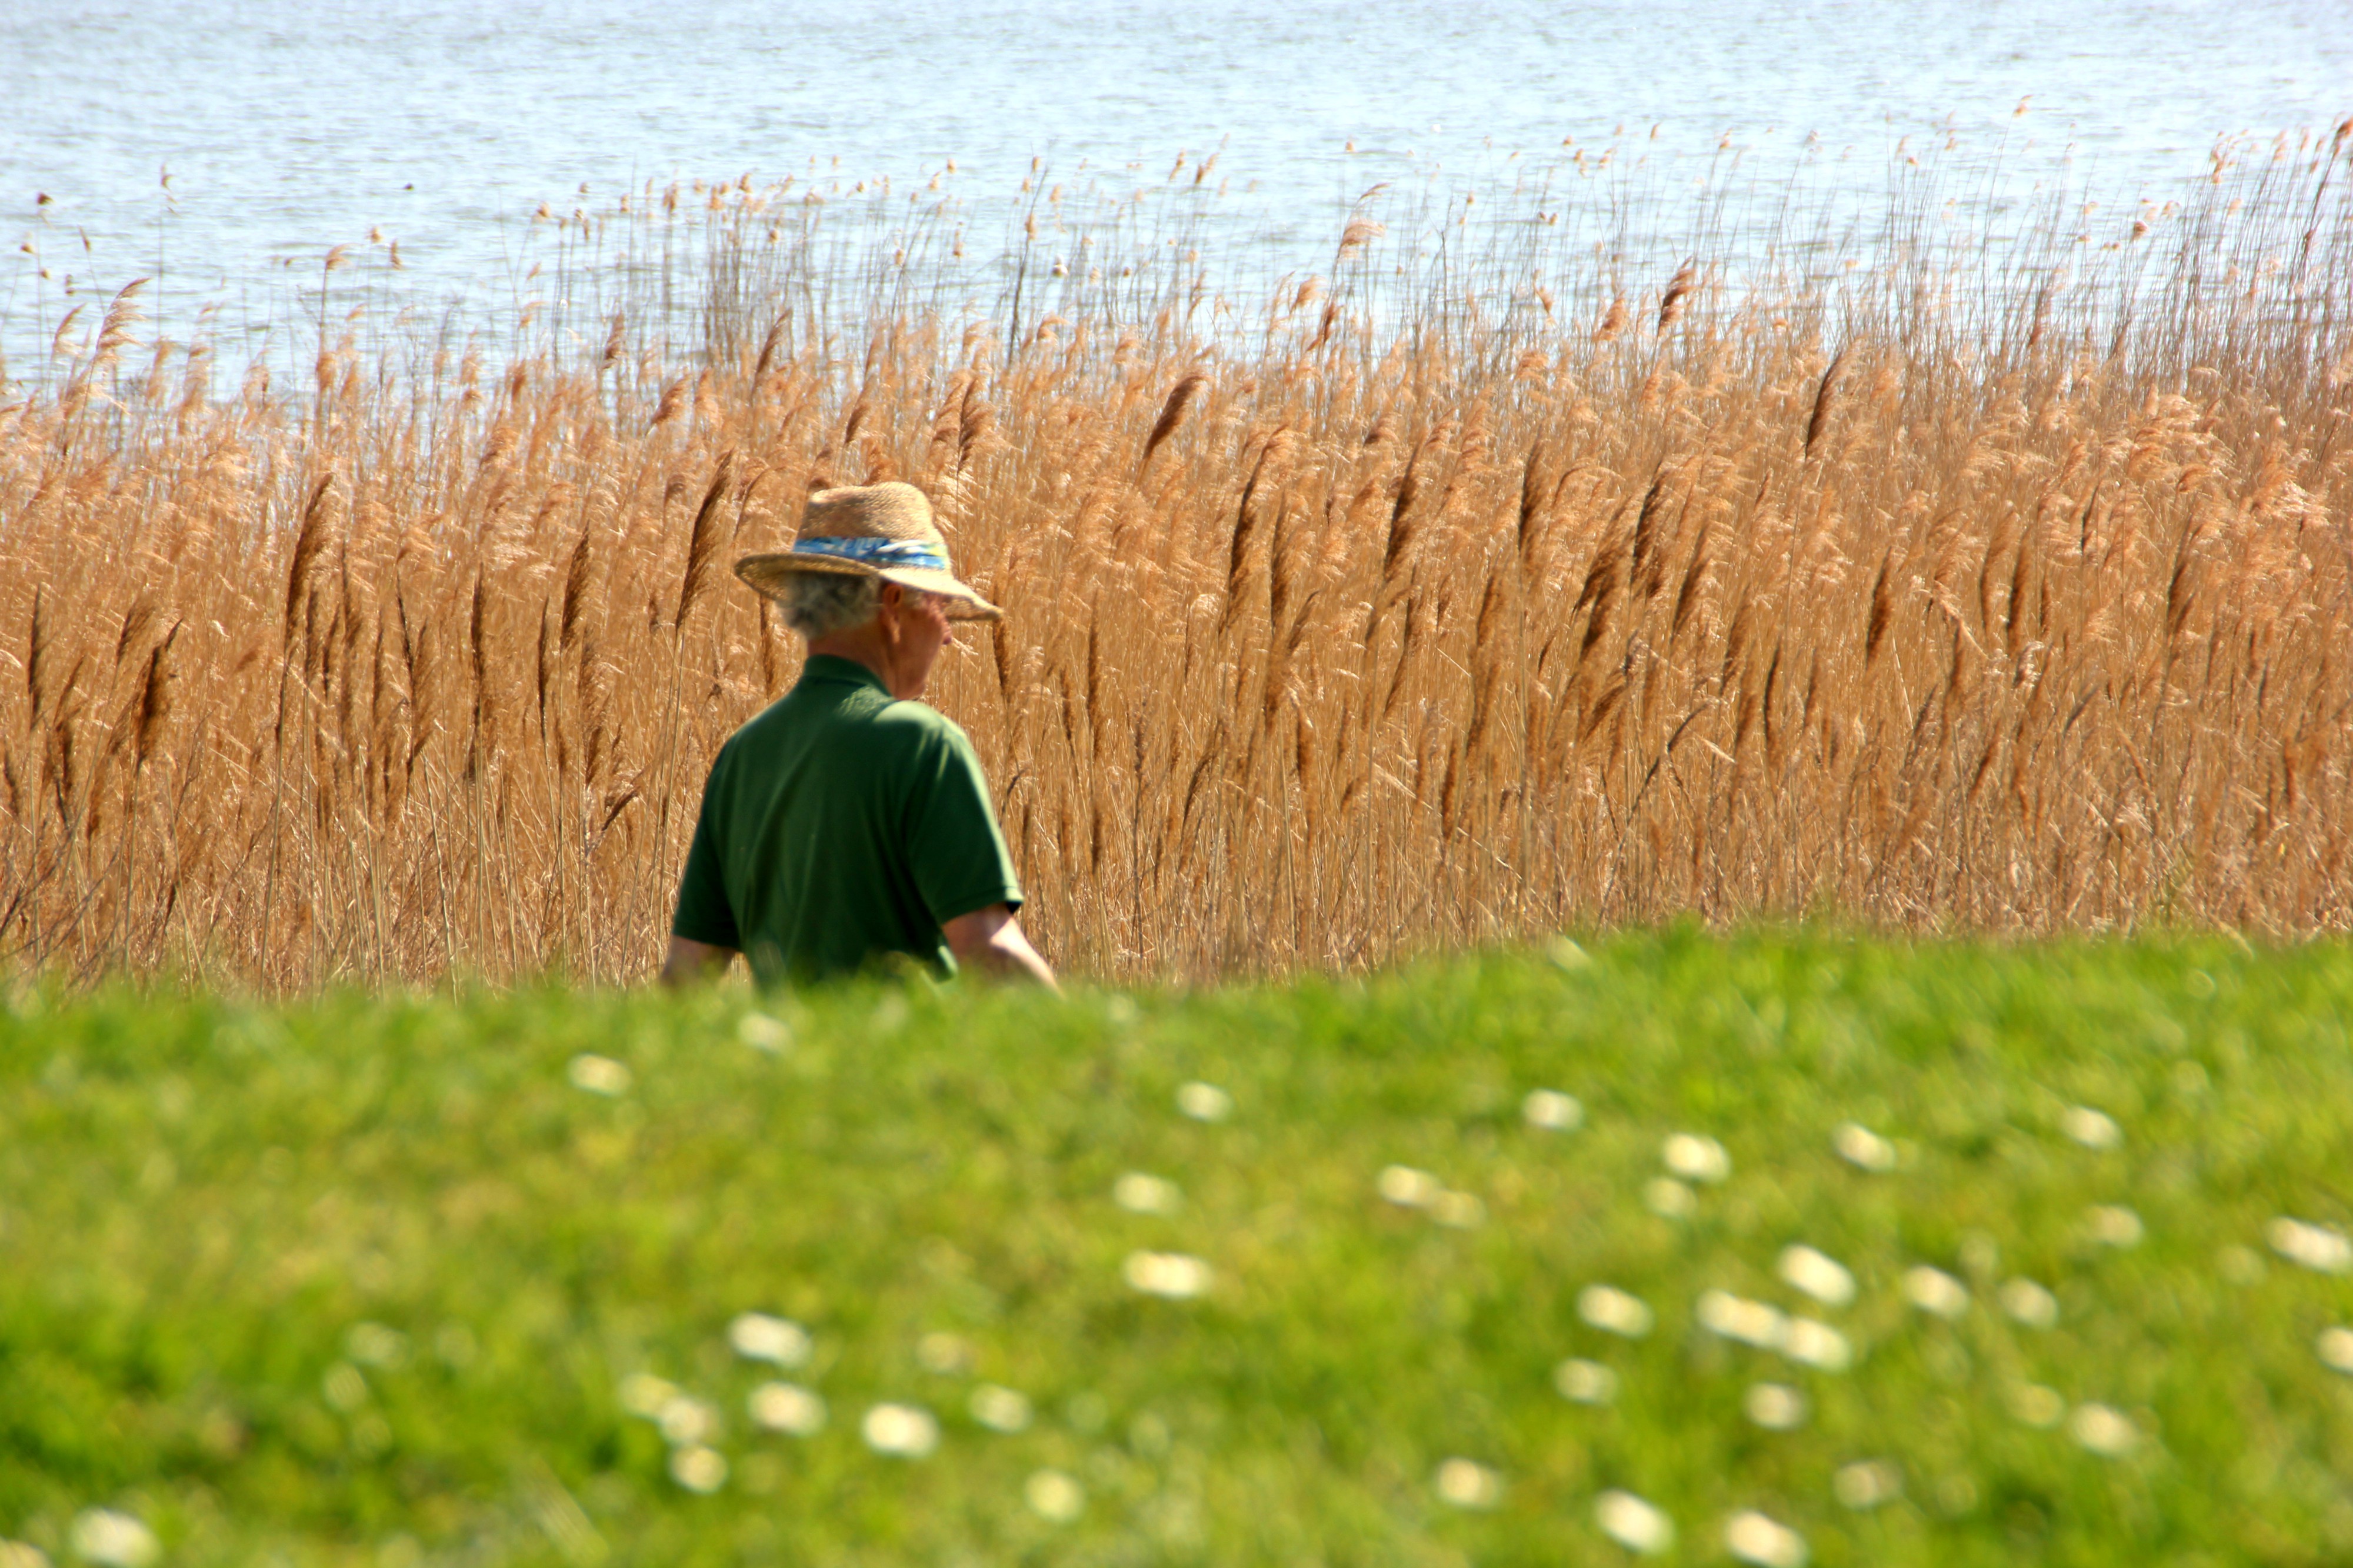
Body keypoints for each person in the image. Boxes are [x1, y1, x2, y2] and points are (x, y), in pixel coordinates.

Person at [661, 481, 1057, 990]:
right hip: (904, 1064)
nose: (949, 633)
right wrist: (1093, 1053)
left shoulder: (743, 754)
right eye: (939, 607)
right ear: (893, 602)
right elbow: (987, 946)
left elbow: (686, 973)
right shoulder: (921, 744)